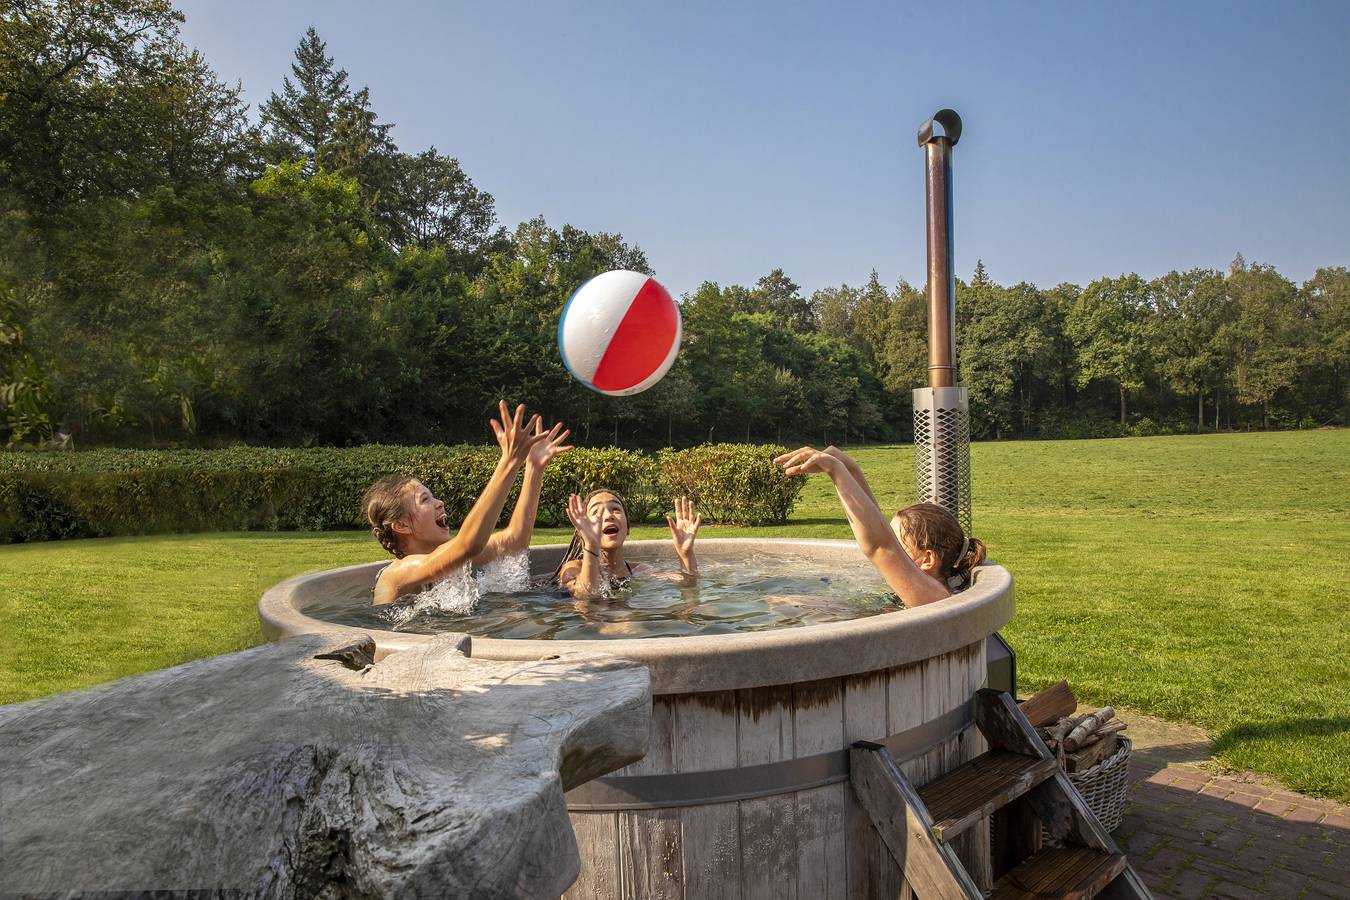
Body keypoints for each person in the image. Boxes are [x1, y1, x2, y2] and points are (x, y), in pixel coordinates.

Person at [362, 401, 571, 605]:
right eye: (425, 499)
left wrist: (534, 469)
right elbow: (468, 544)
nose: (439, 503)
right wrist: (509, 462)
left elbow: (514, 542)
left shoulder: (447, 558)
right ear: (401, 525)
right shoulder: (400, 573)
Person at [773, 446, 986, 607]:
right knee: (782, 602)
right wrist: (850, 468)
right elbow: (878, 531)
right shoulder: (924, 584)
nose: (891, 543)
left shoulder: (932, 595)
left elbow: (881, 546)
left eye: (899, 543)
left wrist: (836, 470)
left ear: (928, 559)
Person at [556, 491, 701, 597]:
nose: (608, 516)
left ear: (628, 528)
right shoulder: (573, 568)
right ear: (583, 530)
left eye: (616, 509)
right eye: (596, 512)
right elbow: (585, 595)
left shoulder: (639, 570)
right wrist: (592, 544)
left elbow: (688, 585)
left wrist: (686, 555)